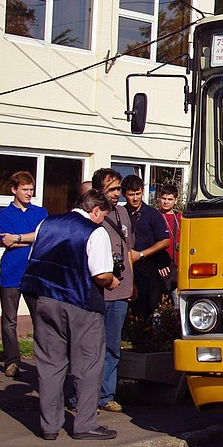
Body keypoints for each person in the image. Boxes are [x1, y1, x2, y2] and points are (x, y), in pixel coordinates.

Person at [20, 189, 120, 440]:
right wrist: (113, 282)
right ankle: (85, 424)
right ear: (95, 209)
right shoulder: (95, 231)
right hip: (80, 302)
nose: (102, 221)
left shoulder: (46, 223)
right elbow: (100, 274)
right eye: (103, 215)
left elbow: (34, 259)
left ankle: (49, 426)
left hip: (44, 300)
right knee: (88, 365)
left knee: (50, 365)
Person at [92, 168, 135, 413]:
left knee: (112, 346)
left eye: (119, 189)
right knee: (90, 346)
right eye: (112, 190)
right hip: (99, 290)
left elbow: (128, 250)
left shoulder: (122, 214)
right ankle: (82, 395)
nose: (117, 194)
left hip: (120, 291)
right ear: (100, 191)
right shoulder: (93, 214)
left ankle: (106, 395)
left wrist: (131, 283)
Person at [0, 171, 48, 378]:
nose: (29, 193)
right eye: (25, 189)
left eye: (31, 189)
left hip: (34, 274)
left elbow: (43, 236)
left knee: (41, 320)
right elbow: (5, 240)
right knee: (9, 321)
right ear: (14, 190)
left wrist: (18, 237)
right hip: (11, 273)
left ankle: (44, 362)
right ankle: (12, 361)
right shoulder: (3, 215)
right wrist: (30, 237)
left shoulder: (40, 212)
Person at [121, 175, 170, 319]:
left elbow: (165, 241)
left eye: (138, 194)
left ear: (143, 192)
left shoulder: (152, 214)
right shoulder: (121, 213)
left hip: (148, 267)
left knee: (148, 307)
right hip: (127, 267)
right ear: (125, 194)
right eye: (131, 195)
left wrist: (141, 254)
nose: (135, 198)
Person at [157, 183, 181, 300]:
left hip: (177, 268)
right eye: (164, 198)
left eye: (170, 199)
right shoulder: (155, 216)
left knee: (177, 305)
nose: (166, 202)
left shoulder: (180, 218)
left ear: (176, 200)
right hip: (160, 267)